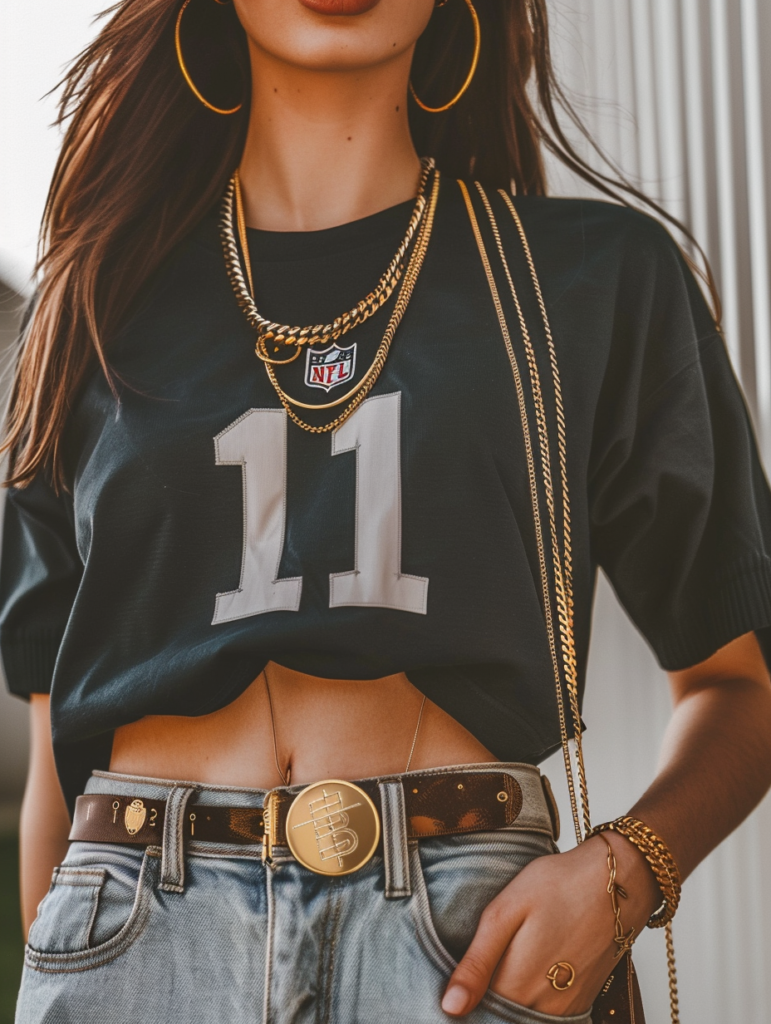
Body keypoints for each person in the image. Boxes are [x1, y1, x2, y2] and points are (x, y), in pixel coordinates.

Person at [3, 0, 771, 1021]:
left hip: (467, 945)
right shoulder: (92, 303)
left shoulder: (592, 280)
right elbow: (57, 755)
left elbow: (741, 684)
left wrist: (623, 877)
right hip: (135, 941)